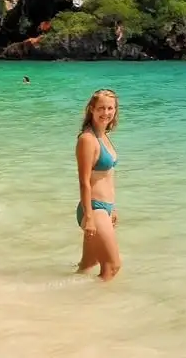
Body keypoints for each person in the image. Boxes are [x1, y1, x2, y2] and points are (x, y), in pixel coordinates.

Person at [74, 89, 122, 281]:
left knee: (88, 265)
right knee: (112, 266)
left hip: (106, 208)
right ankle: (97, 306)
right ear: (91, 110)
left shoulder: (104, 136)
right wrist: (89, 218)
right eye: (101, 108)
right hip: (94, 208)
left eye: (110, 108)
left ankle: (64, 300)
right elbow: (84, 181)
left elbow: (108, 176)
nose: (106, 113)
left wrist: (114, 207)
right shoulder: (87, 139)